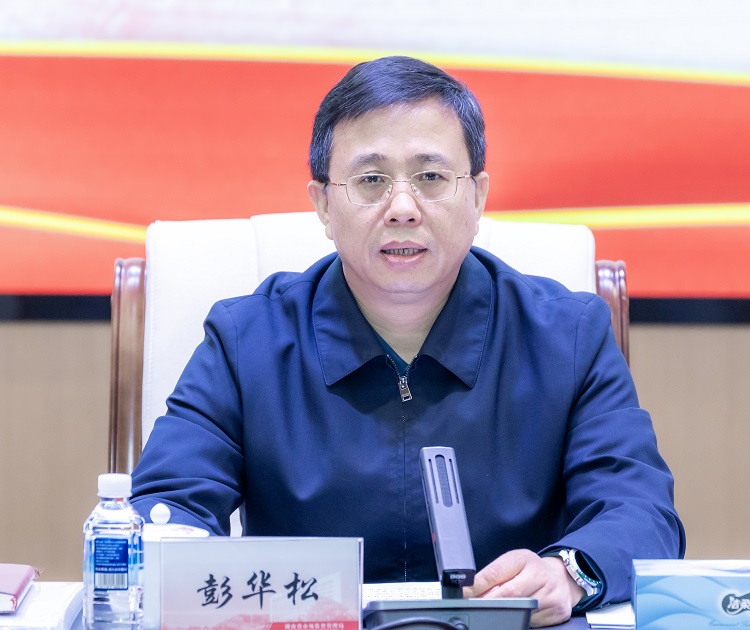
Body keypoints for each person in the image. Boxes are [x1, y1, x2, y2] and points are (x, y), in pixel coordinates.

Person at [131, 55, 685, 627]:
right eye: (371, 180)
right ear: (323, 204)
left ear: (478, 196)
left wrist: (568, 573)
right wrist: (204, 574)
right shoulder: (246, 341)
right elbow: (165, 509)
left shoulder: (568, 336)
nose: (402, 208)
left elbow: (640, 511)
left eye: (431, 177)